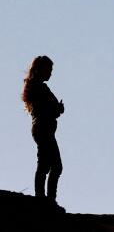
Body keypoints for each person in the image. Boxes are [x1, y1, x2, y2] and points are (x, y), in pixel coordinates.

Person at [22, 56, 64, 209]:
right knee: (53, 166)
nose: (51, 74)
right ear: (41, 69)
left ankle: (44, 198)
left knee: (46, 164)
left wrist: (56, 109)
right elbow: (47, 109)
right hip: (43, 128)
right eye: (49, 70)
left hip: (42, 128)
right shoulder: (39, 88)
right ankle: (45, 199)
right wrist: (57, 109)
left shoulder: (35, 86)